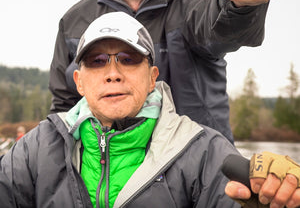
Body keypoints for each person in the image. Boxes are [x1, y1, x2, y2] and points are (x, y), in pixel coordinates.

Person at [49, 0, 297, 143]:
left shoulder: (194, 5)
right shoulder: (73, 22)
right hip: (104, 182)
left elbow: (224, 24)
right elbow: (63, 112)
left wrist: (240, 0)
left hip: (201, 179)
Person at [1, 12, 300, 207]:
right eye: (97, 60)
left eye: (128, 58)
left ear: (152, 78)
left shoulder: (204, 153)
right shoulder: (35, 150)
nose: (113, 73)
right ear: (79, 82)